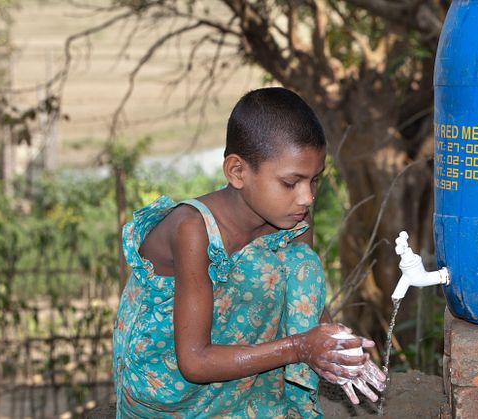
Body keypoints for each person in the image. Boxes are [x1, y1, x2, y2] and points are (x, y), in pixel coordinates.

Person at [112, 87, 386, 418]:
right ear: (238, 172)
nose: (307, 198)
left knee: (301, 263)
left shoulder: (293, 219)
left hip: (239, 367)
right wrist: (299, 348)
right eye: (291, 183)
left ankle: (264, 397)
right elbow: (194, 362)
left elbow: (304, 297)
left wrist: (332, 345)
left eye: (315, 180)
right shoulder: (193, 229)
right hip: (170, 383)